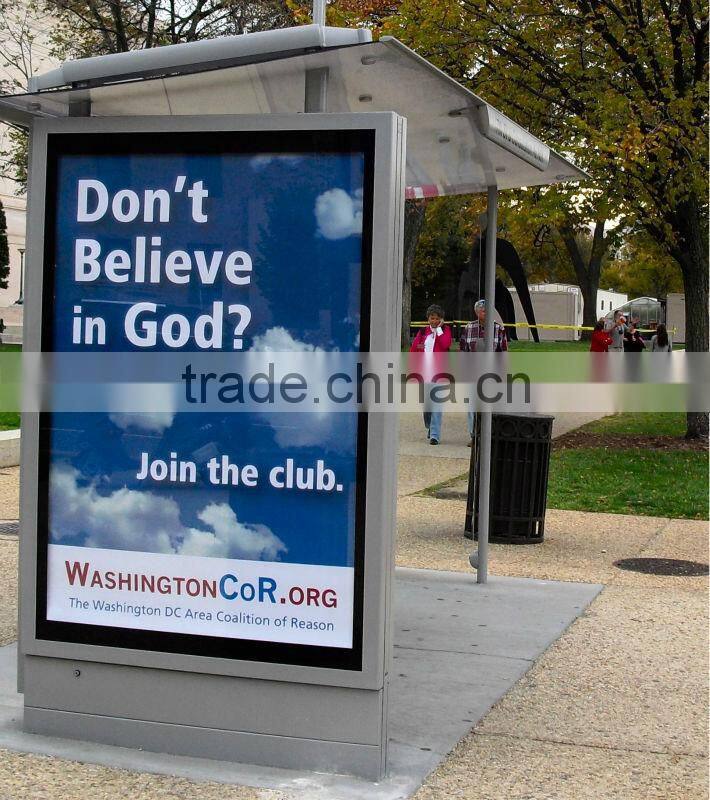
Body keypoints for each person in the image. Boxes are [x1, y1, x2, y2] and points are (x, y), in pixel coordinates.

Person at [459, 299, 508, 445]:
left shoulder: (498, 328)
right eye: (482, 310)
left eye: (488, 310)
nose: (485, 313)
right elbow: (463, 350)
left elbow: (503, 352)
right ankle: (474, 435)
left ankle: (488, 436)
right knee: (472, 407)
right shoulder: (469, 327)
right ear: (477, 312)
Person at [409, 304, 452, 445]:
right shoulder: (423, 332)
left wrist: (439, 329)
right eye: (432, 318)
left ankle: (435, 435)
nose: (434, 321)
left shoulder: (445, 330)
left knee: (437, 406)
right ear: (428, 318)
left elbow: (445, 344)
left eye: (437, 318)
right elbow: (415, 349)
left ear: (441, 319)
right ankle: (429, 426)